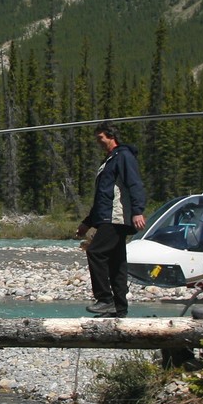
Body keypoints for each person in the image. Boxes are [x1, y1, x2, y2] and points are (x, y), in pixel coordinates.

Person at [79, 123, 147, 318]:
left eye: (100, 138)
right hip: (108, 216)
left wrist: (137, 211)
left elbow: (134, 183)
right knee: (117, 263)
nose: (98, 142)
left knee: (95, 252)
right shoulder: (109, 160)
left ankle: (105, 299)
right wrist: (88, 222)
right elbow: (103, 195)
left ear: (111, 137)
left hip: (116, 217)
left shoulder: (123, 156)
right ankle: (120, 308)